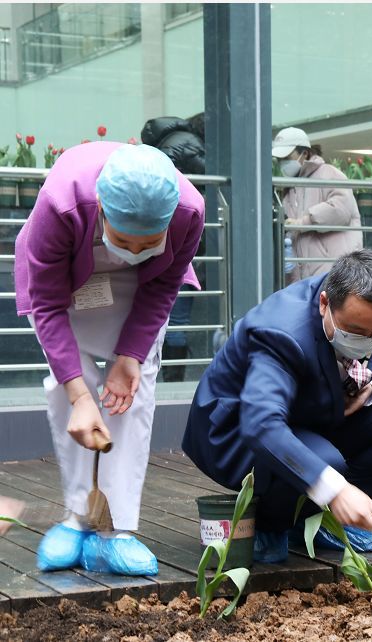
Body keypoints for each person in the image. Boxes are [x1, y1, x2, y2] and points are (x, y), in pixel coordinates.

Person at [14, 142, 204, 575]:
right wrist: (80, 393)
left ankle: (116, 531)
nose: (133, 248)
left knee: (130, 394)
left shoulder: (189, 210)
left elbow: (164, 286)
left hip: (140, 288)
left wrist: (130, 355)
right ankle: (78, 518)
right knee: (70, 393)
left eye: (148, 241)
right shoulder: (63, 201)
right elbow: (46, 304)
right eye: (122, 239)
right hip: (67, 284)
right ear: (100, 206)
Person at [182, 250, 372, 562]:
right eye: (356, 333)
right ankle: (271, 524)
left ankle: (317, 516)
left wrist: (365, 389)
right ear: (325, 304)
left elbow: (366, 355)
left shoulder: (357, 310)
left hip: (313, 411)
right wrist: (335, 489)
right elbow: (261, 424)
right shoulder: (282, 332)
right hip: (237, 432)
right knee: (327, 463)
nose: (367, 341)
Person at [141, 114, 208, 382]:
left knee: (163, 304)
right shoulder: (191, 145)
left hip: (158, 234)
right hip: (180, 237)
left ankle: (163, 369)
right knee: (178, 310)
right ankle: (173, 374)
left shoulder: (167, 144)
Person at [271, 127, 361, 283]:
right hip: (307, 277)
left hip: (335, 272)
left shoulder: (328, 173)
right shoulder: (289, 189)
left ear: (304, 153)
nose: (282, 163)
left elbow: (341, 209)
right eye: (279, 159)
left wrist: (302, 223)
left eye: (287, 157)